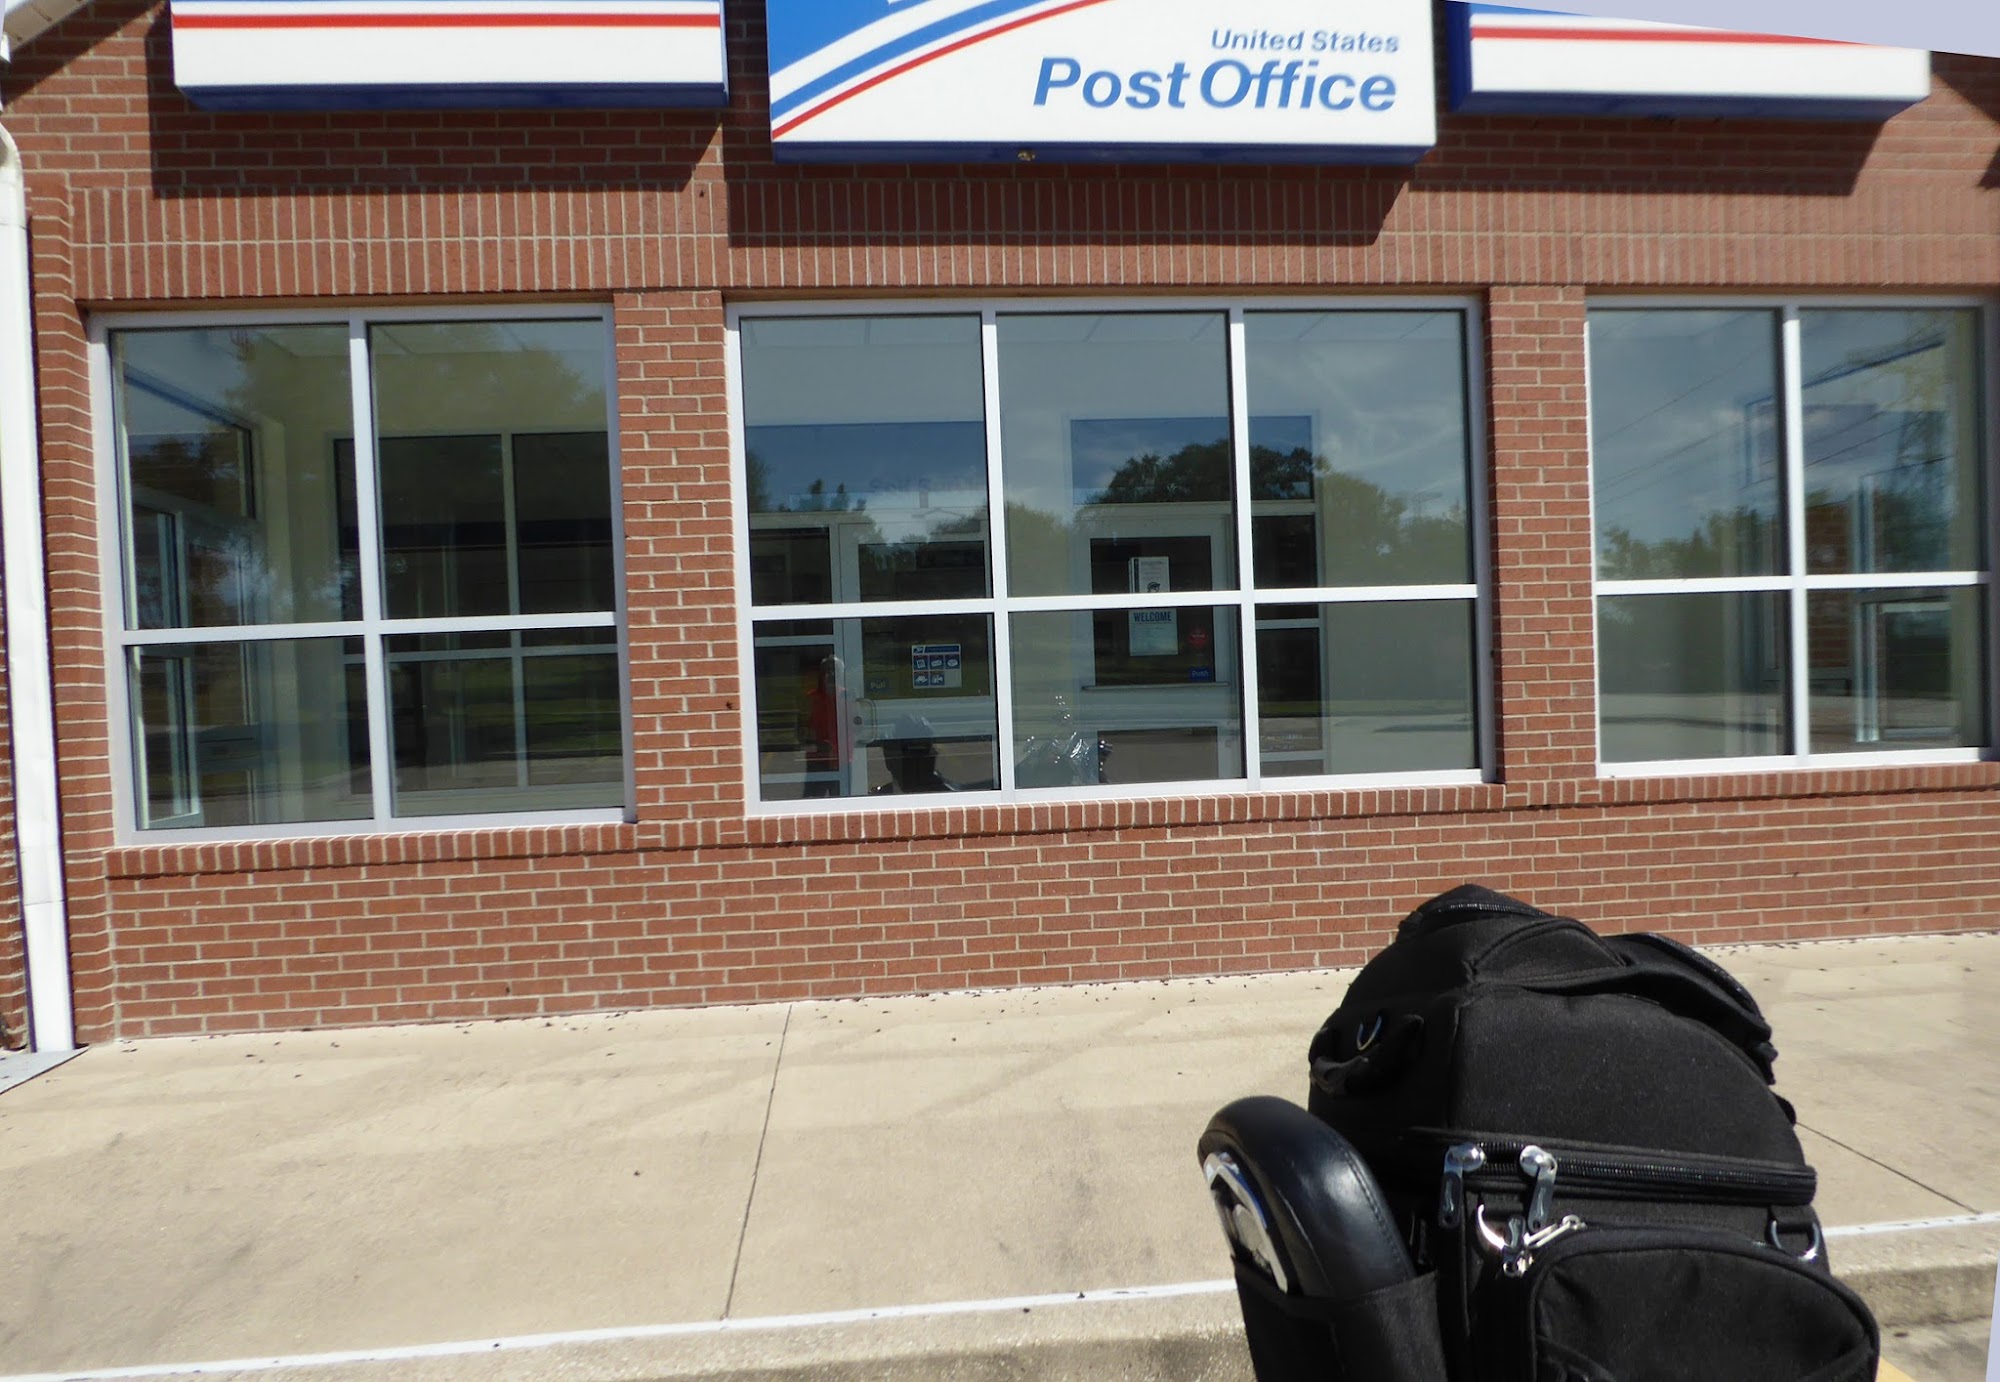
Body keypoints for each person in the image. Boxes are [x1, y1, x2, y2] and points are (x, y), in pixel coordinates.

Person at [802, 655, 851, 797]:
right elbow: (802, 731)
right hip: (817, 760)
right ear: (821, 674)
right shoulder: (811, 698)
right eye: (828, 670)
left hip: (841, 760)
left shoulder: (847, 697)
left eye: (836, 670)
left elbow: (857, 728)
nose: (832, 674)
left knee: (843, 801)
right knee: (813, 801)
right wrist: (816, 744)